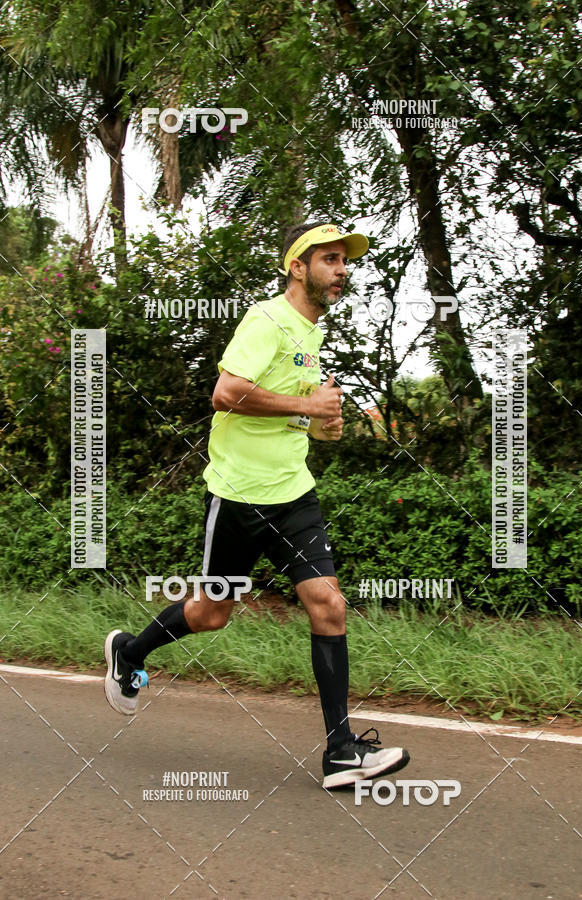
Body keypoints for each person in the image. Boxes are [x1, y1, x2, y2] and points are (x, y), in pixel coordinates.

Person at [104, 222, 410, 789]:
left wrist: (321, 422)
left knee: (329, 604)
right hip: (239, 497)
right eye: (330, 259)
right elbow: (226, 393)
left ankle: (341, 752)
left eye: (345, 261)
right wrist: (308, 405)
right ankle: (130, 652)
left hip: (293, 494)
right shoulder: (266, 320)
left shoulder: (312, 333)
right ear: (298, 267)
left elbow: (294, 414)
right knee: (210, 614)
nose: (343, 270)